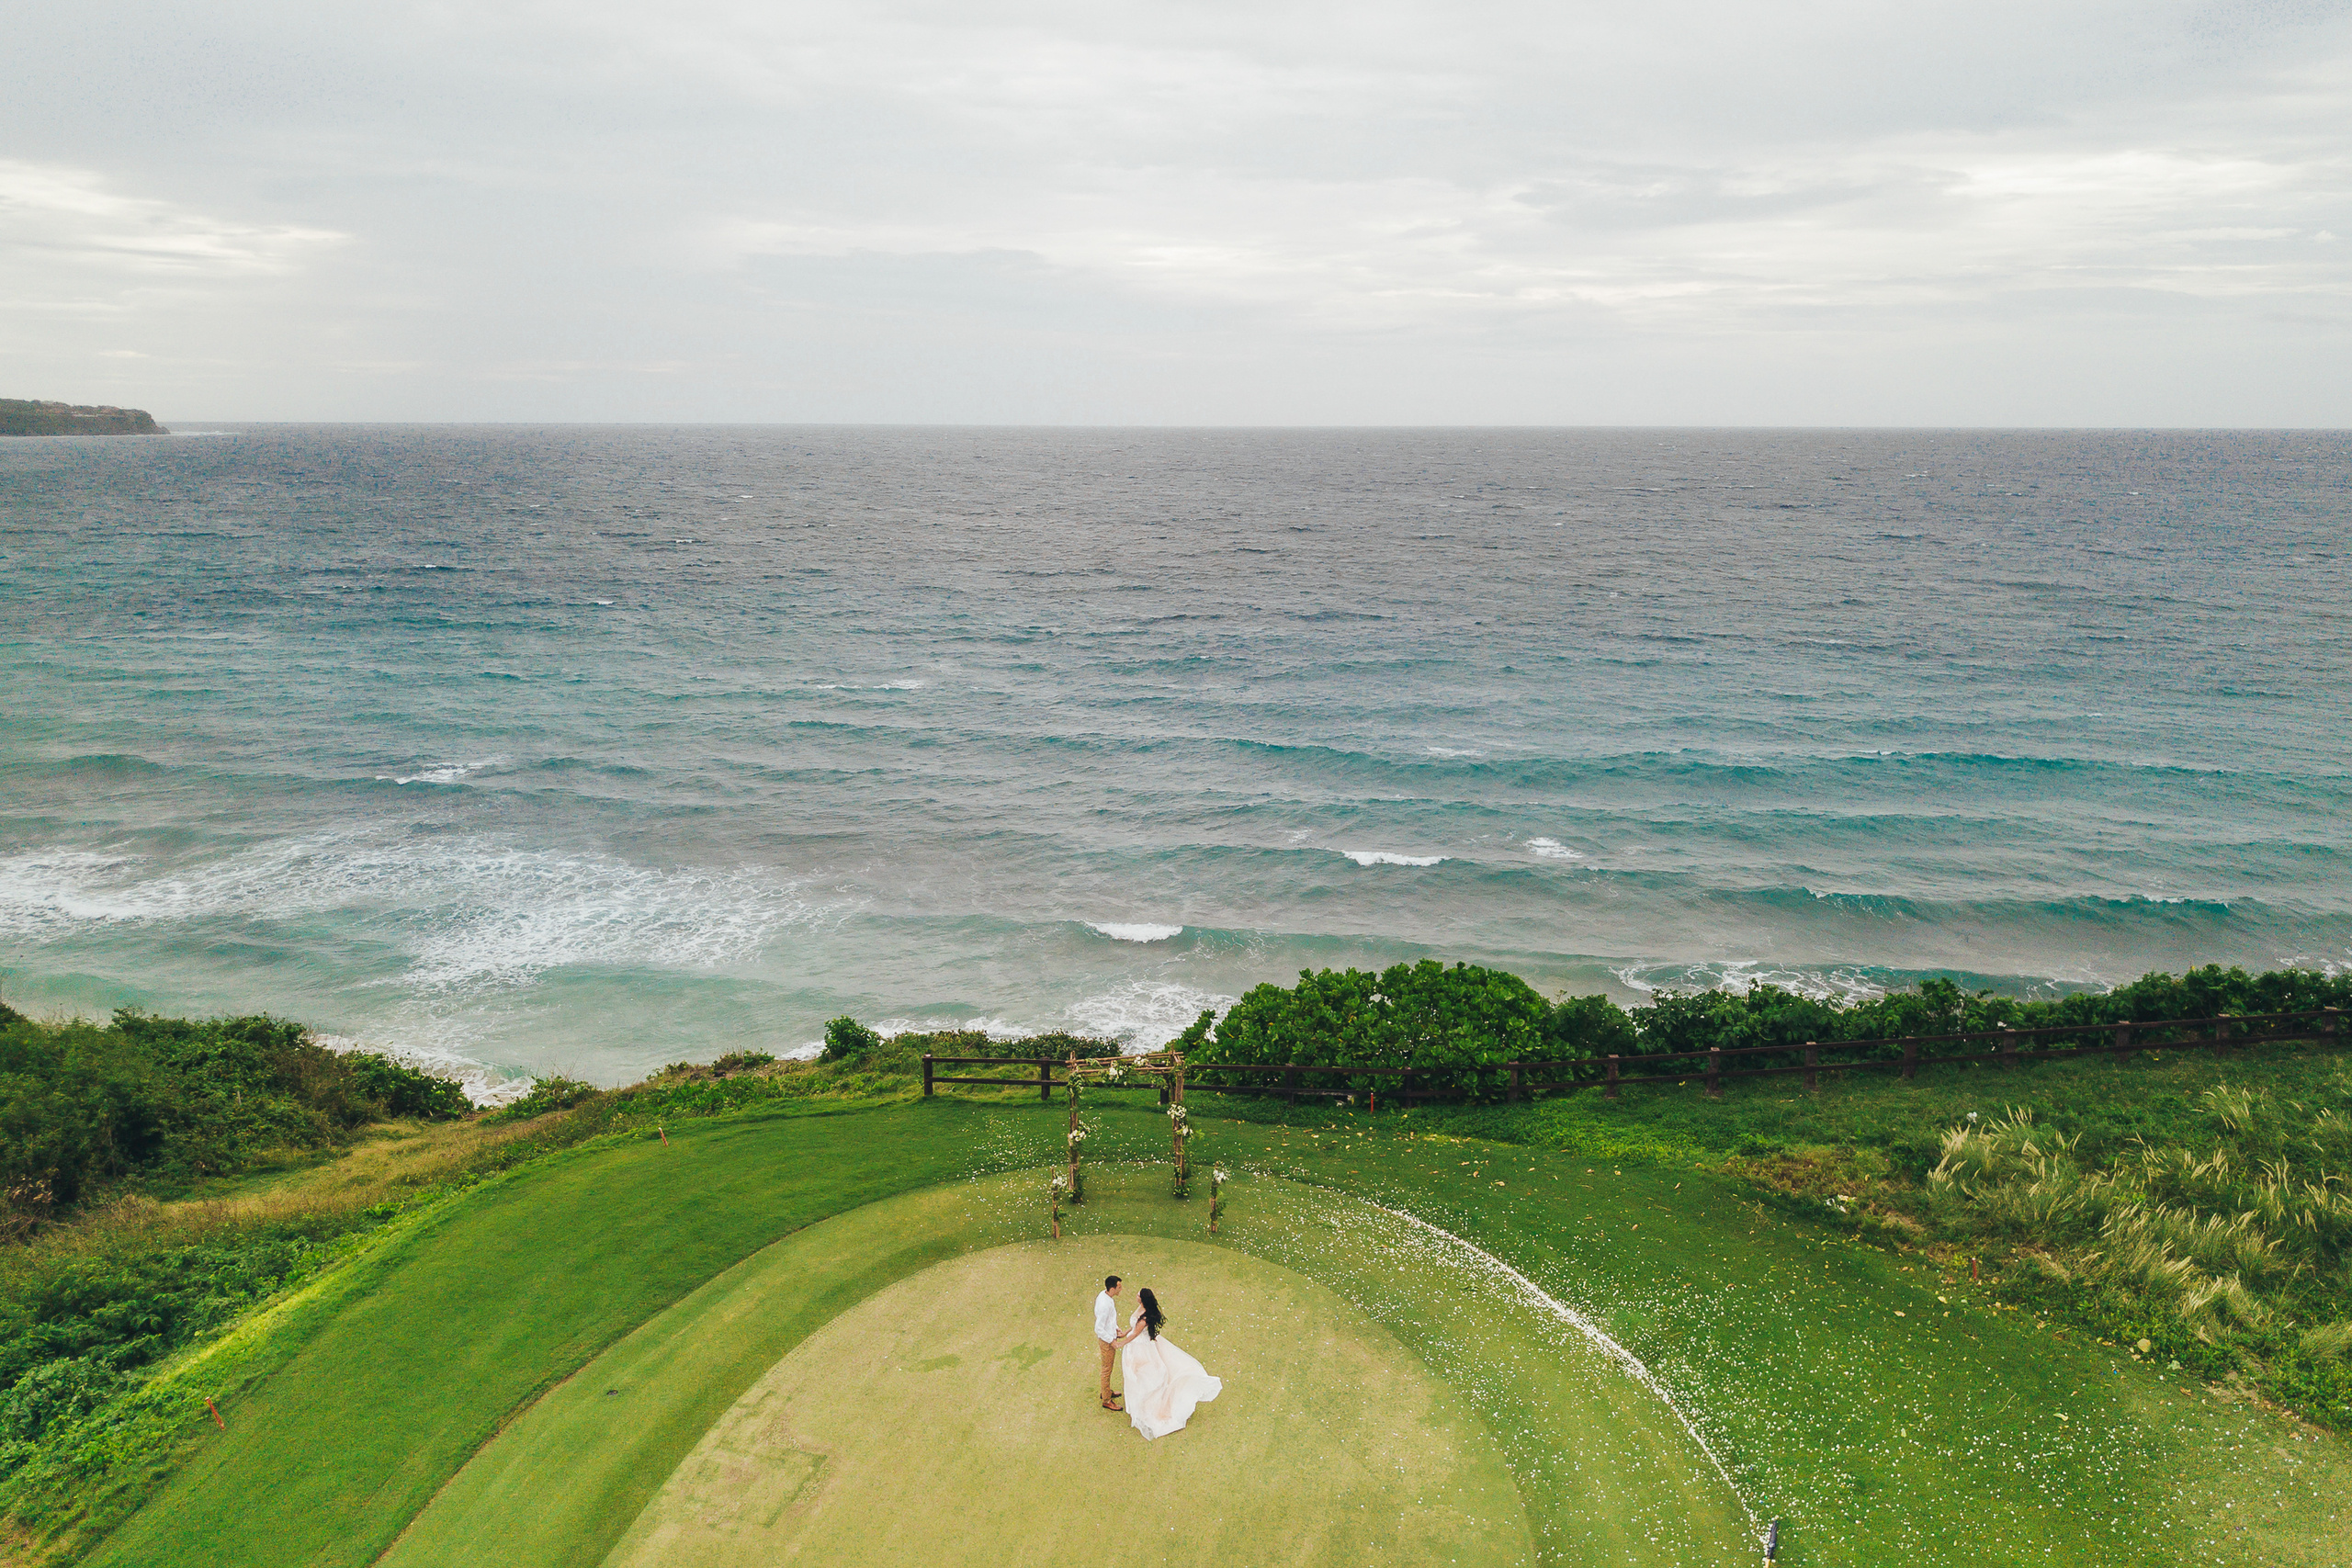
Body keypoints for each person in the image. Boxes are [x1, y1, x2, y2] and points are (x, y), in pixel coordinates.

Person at [1118, 1286, 1222, 1439]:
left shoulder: (1146, 1317)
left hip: (1141, 1348)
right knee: (1137, 1375)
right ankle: (1139, 1404)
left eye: (1138, 1294)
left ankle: (1150, 1407)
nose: (1136, 1295)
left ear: (1143, 1299)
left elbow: (1136, 1333)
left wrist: (1122, 1343)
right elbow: (1133, 1326)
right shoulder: (1141, 1308)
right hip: (1136, 1347)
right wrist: (1124, 1333)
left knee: (1143, 1375)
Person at [1093, 1274, 1142, 1411]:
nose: (1121, 1289)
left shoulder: (1105, 1297)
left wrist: (1115, 1328)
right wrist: (1112, 1340)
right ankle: (1106, 1399)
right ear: (1112, 1288)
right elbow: (1099, 1328)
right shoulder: (1104, 1304)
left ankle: (1107, 1391)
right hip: (1106, 1342)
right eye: (1119, 1287)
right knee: (1106, 1369)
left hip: (1110, 1335)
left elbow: (1108, 1320)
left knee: (1108, 1368)